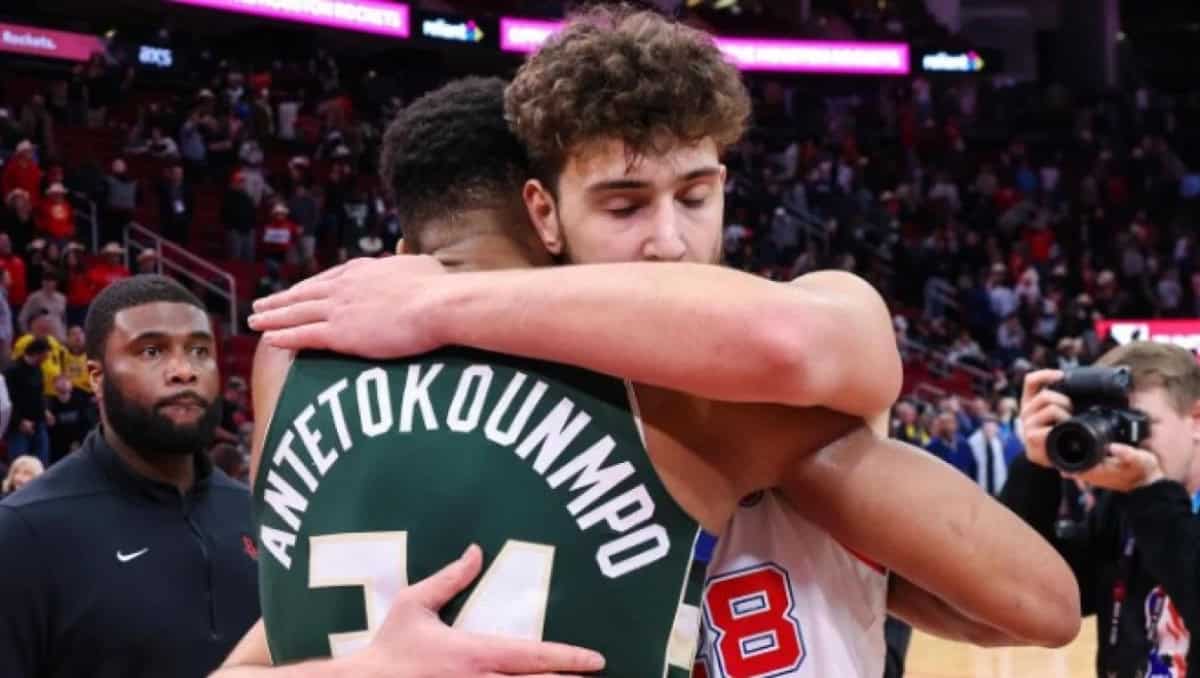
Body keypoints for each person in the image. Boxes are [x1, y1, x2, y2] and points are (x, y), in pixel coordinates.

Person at [236, 70, 1076, 674]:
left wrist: (438, 303)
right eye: (624, 204)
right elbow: (1037, 604)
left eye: (694, 196)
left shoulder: (294, 364)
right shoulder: (714, 405)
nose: (667, 242)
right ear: (545, 220)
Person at [0, 275, 260, 677]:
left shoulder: (257, 515)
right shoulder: (23, 532)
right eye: (152, 351)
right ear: (96, 377)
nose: (184, 371)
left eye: (199, 351)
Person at [1010, 341, 1200, 676]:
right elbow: (1036, 595)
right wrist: (1037, 467)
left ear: (1196, 421)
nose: (1123, 442)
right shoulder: (1125, 508)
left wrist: (1151, 493)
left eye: (1138, 423)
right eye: (1113, 425)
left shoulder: (1148, 500)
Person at [4, 337, 51, 465]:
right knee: (20, 464)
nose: (46, 359)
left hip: (38, 422)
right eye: (45, 356)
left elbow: (39, 394)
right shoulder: (12, 371)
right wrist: (19, 421)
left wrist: (45, 410)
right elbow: (6, 401)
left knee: (41, 463)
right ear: (36, 353)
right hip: (18, 428)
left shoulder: (38, 369)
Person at [47, 373, 93, 464]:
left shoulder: (80, 402)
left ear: (71, 386)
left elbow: (86, 425)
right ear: (54, 386)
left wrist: (78, 442)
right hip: (57, 449)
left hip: (78, 446)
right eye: (60, 380)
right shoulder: (50, 405)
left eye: (67, 380)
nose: (64, 382)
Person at [18, 267, 66, 338]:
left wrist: (65, 334)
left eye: (51, 280)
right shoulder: (35, 298)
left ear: (56, 282)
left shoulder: (61, 298)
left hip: (59, 336)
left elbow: (63, 320)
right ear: (42, 282)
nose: (48, 283)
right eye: (46, 280)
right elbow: (22, 318)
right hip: (42, 337)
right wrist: (28, 335)